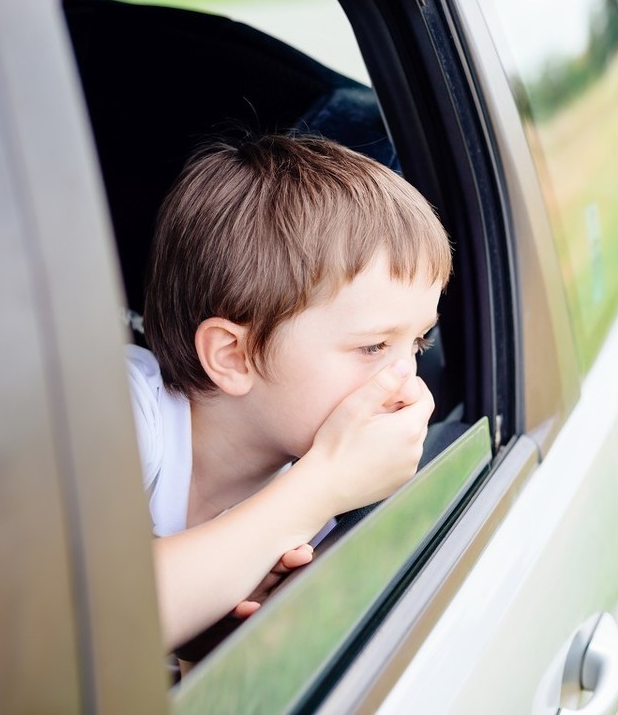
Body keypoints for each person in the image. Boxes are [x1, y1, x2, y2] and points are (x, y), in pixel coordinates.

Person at [127, 132, 452, 651]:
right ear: (235, 356)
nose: (409, 385)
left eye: (418, 342)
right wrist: (322, 484)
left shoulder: (313, 504)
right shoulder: (123, 415)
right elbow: (83, 626)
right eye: (372, 348)